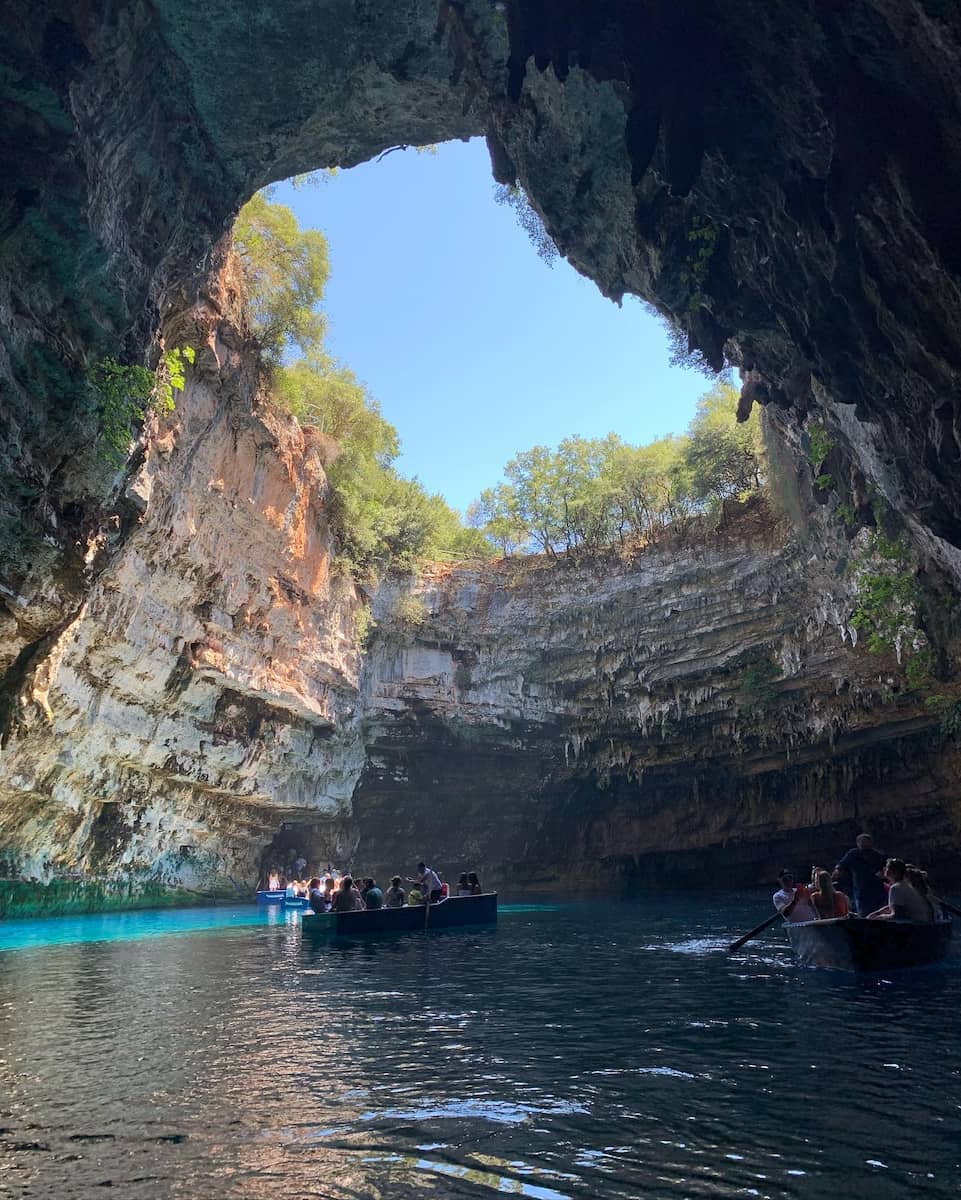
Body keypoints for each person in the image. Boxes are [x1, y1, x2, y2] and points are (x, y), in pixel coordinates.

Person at [835, 834, 887, 916]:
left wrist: (882, 874)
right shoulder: (853, 854)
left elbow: (884, 868)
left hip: (877, 890)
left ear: (871, 843)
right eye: (861, 842)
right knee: (864, 914)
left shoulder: (876, 855)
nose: (863, 844)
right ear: (857, 843)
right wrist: (837, 871)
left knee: (878, 914)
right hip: (861, 891)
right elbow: (841, 865)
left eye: (866, 842)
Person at [868, 858, 933, 921]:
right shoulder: (906, 886)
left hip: (914, 927)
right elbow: (895, 906)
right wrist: (877, 913)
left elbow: (897, 915)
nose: (885, 869)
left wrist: (878, 917)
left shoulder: (896, 888)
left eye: (888, 867)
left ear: (895, 872)